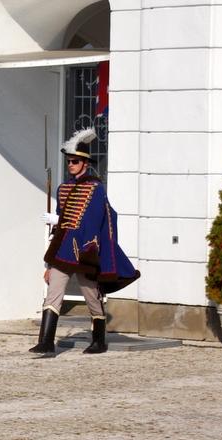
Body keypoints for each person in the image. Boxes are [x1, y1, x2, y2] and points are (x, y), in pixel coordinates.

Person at [29, 128, 140, 357]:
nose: (70, 164)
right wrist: (49, 263)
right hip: (62, 251)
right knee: (53, 294)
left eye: (75, 161)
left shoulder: (96, 189)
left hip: (85, 251)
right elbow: (60, 229)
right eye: (69, 161)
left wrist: (60, 219)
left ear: (85, 164)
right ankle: (47, 343)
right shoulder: (64, 188)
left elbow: (90, 222)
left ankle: (98, 341)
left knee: (91, 297)